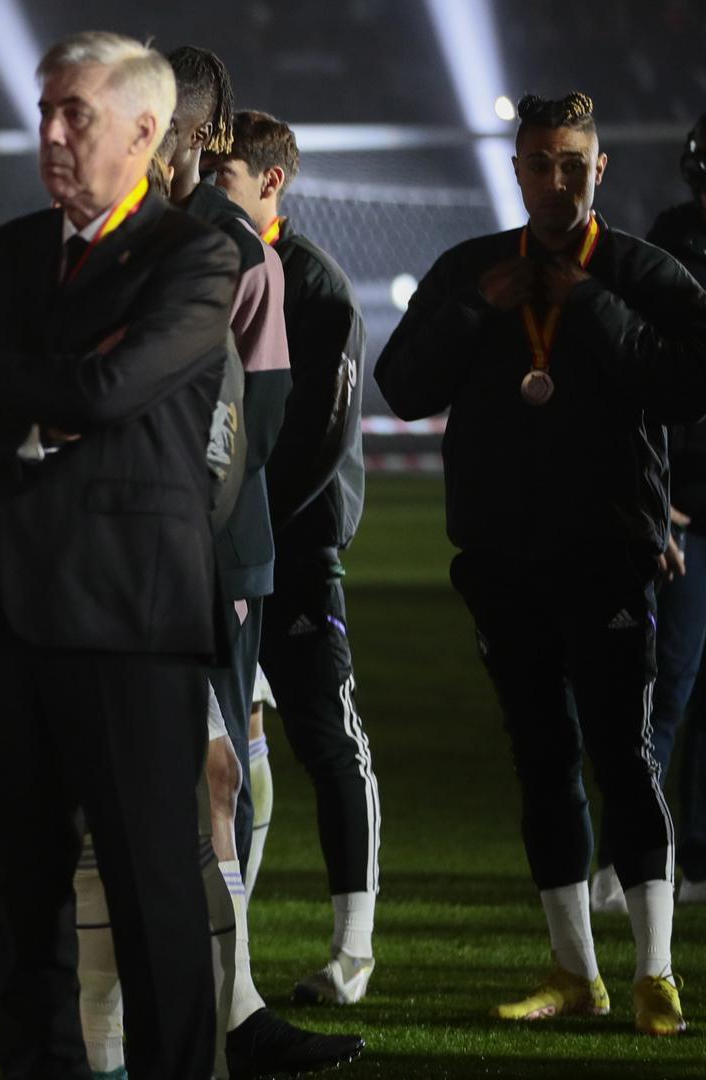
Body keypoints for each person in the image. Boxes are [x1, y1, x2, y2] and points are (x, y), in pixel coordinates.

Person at [0, 33, 235, 1077]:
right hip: (10, 607)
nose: (50, 132)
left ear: (146, 130)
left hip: (131, 616)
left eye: (75, 114)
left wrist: (10, 378)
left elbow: (110, 391)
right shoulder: (7, 249)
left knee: (152, 891)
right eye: (46, 109)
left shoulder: (196, 255)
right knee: (17, 897)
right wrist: (44, 401)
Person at [377, 90, 706, 1038]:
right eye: (539, 163)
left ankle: (655, 973)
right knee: (542, 760)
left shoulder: (641, 271)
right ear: (516, 169)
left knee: (625, 756)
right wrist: (474, 313)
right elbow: (401, 387)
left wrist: (592, 307)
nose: (556, 181)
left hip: (608, 556)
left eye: (572, 164)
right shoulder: (471, 271)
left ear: (600, 169)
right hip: (501, 558)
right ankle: (575, 970)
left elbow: (692, 381)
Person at [211, 108, 383, 1004]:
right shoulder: (208, 264)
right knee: (232, 748)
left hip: (295, 549)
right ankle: (225, 945)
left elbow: (317, 438)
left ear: (271, 181)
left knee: (328, 737)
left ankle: (353, 951)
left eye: (224, 174)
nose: (208, 189)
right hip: (225, 549)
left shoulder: (316, 287)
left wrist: (243, 521)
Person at [618, 111, 706, 911]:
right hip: (685, 510)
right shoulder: (671, 251)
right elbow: (641, 383)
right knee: (667, 684)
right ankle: (634, 863)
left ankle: (696, 861)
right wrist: (660, 500)